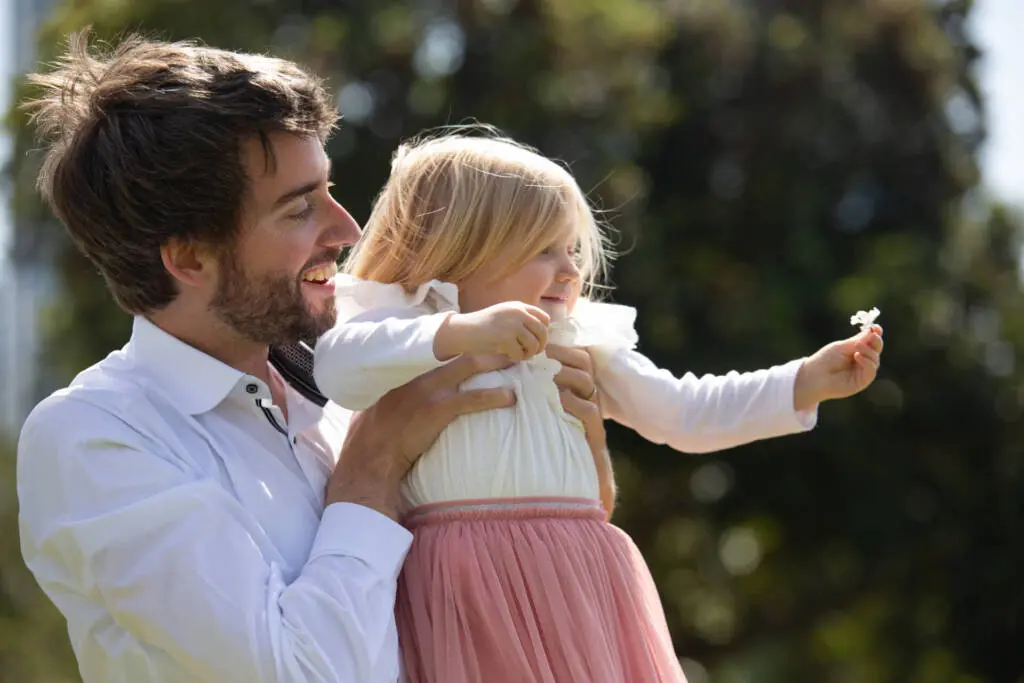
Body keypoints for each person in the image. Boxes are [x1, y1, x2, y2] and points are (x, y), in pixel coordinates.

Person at [15, 32, 608, 683]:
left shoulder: (360, 387)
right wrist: (375, 461)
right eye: (300, 208)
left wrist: (576, 481)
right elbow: (301, 672)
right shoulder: (93, 438)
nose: (347, 229)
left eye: (326, 190)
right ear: (188, 257)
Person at [313, 129, 886, 683]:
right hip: (466, 590)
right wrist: (456, 332)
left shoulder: (578, 339)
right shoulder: (412, 329)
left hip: (580, 579)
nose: (570, 269)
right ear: (460, 247)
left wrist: (803, 381)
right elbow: (337, 368)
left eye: (571, 249)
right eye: (542, 249)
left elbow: (682, 412)